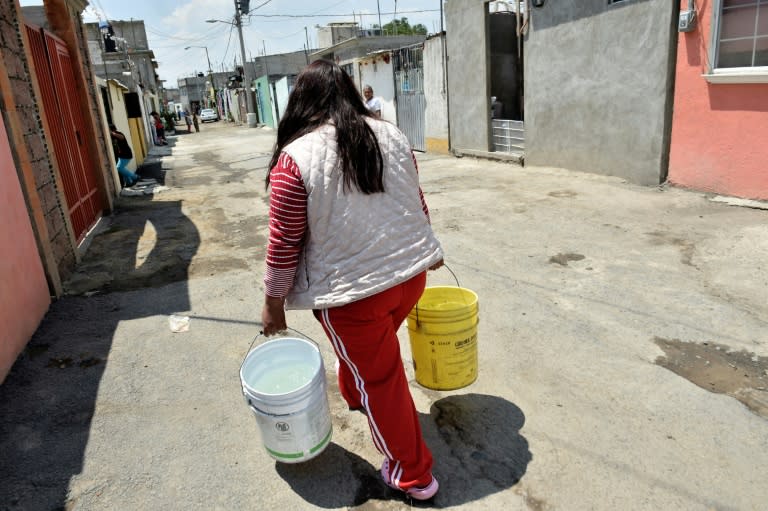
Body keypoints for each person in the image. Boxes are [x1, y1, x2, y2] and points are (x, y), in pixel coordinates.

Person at [261, 60, 444, 501]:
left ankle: (413, 475)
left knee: (384, 381)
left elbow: (283, 242)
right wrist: (428, 252)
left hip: (354, 298)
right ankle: (356, 391)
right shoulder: (392, 135)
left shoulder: (294, 159)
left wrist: (272, 303)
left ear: (300, 101)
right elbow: (415, 201)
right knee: (372, 365)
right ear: (349, 92)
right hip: (407, 280)